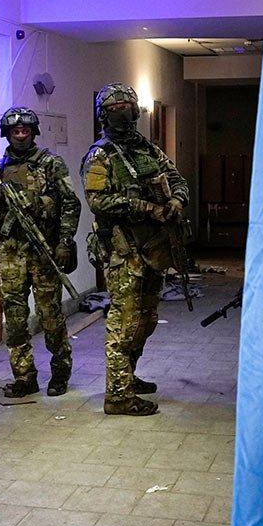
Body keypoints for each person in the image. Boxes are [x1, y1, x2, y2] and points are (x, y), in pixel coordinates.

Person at [80, 83, 188, 416]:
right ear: (103, 115)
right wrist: (143, 207)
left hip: (154, 247)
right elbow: (98, 201)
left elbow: (177, 178)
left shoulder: (149, 150)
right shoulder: (100, 155)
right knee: (124, 322)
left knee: (147, 318)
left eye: (128, 107)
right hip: (122, 250)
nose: (123, 114)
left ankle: (126, 376)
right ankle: (118, 397)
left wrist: (175, 200)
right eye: (115, 109)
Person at [0, 106, 82, 398]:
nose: (21, 135)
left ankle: (60, 372)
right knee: (16, 318)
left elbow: (71, 204)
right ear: (7, 134)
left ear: (33, 132)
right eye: (15, 131)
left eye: (25, 130)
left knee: (50, 316)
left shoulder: (50, 164)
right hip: (10, 253)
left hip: (43, 250)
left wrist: (64, 241)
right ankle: (24, 376)